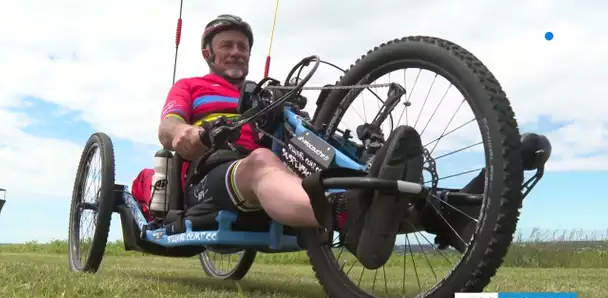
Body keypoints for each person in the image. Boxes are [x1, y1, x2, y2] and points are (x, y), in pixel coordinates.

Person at [135, 14, 482, 270]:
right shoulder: (191, 87)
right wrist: (185, 134)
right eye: (227, 45)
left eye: (243, 46)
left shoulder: (263, 96)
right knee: (259, 163)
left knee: (323, 154)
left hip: (274, 167)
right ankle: (347, 212)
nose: (237, 52)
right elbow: (168, 126)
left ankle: (447, 212)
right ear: (209, 54)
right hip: (212, 174)